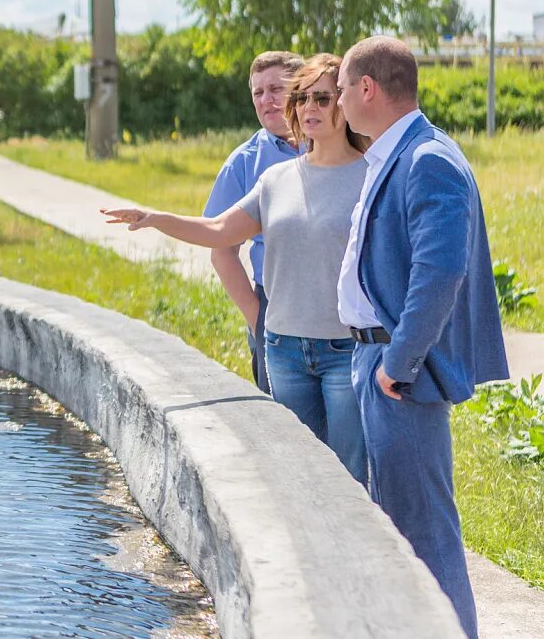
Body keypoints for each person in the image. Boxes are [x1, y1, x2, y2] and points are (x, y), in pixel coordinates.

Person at [100, 54, 370, 483]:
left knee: (348, 473)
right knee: (294, 469)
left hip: (345, 349)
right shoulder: (275, 178)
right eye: (302, 98)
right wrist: (153, 217)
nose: (310, 107)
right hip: (284, 349)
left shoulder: (372, 176)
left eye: (322, 97)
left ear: (345, 103)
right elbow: (219, 231)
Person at [336, 35, 509, 639]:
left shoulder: (428, 158)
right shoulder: (397, 152)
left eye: (340, 87)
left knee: (426, 532)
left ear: (368, 89)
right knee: (396, 525)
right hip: (376, 361)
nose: (334, 100)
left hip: (398, 374)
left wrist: (397, 364)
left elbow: (441, 274)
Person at [203, 51, 304, 393]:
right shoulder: (243, 163)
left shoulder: (334, 145)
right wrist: (255, 315)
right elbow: (220, 249)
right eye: (258, 92)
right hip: (272, 303)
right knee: (282, 425)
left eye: (276, 88)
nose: (266, 100)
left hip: (335, 305)